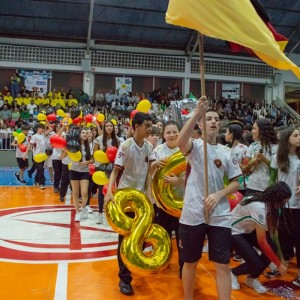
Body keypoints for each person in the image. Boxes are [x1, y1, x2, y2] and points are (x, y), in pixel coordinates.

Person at [177, 96, 242, 300]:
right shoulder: (194, 146)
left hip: (220, 215)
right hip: (193, 213)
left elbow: (236, 182)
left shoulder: (226, 152)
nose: (213, 121)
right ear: (201, 125)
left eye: (216, 119)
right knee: (190, 262)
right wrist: (198, 112)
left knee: (223, 264)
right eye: (208, 118)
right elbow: (180, 142)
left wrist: (219, 193)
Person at [104, 112, 155, 296]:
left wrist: (149, 195)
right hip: (126, 199)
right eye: (146, 125)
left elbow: (149, 172)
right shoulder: (125, 147)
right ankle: (124, 279)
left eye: (151, 125)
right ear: (135, 127)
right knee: (125, 239)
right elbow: (115, 171)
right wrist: (110, 192)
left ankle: (135, 264)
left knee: (139, 237)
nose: (150, 129)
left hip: (142, 198)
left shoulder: (149, 146)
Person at [230, 182, 291, 293]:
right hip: (233, 232)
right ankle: (232, 273)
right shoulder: (259, 207)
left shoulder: (269, 203)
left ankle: (252, 279)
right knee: (256, 264)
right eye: (283, 202)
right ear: (277, 199)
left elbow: (273, 233)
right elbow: (262, 242)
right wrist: (278, 264)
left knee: (272, 246)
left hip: (247, 230)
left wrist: (281, 258)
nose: (283, 205)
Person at [151, 120, 184, 277]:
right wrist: (155, 164)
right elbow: (150, 173)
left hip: (182, 201)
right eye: (168, 132)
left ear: (180, 132)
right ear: (163, 135)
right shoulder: (158, 150)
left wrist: (180, 181)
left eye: (175, 132)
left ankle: (184, 267)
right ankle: (160, 262)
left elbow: (195, 173)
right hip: (163, 203)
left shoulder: (185, 148)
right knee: (162, 233)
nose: (172, 135)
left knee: (182, 235)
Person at [270, 127, 300, 286]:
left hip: (298, 205)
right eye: (296, 135)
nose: (299, 137)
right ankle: (281, 263)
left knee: (299, 238)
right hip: (282, 204)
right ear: (287, 138)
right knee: (281, 236)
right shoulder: (277, 158)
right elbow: (272, 181)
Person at [94, 120, 120, 224]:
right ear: (104, 128)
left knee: (112, 190)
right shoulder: (99, 139)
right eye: (107, 126)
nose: (109, 127)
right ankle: (100, 213)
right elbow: (95, 153)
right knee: (101, 191)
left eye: (111, 126)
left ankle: (110, 213)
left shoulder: (117, 140)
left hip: (113, 167)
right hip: (101, 167)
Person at [242, 119, 278, 196]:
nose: (252, 131)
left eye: (254, 128)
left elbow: (279, 171)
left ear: (262, 130)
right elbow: (244, 170)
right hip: (252, 186)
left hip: (269, 188)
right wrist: (251, 163)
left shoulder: (277, 147)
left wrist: (265, 160)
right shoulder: (252, 146)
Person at [69, 128, 94, 222]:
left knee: (84, 192)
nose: (85, 134)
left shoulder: (90, 146)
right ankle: (77, 212)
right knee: (75, 193)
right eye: (83, 132)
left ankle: (83, 208)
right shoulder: (74, 146)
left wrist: (86, 162)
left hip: (85, 171)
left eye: (86, 133)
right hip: (74, 170)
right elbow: (64, 154)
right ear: (79, 134)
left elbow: (93, 159)